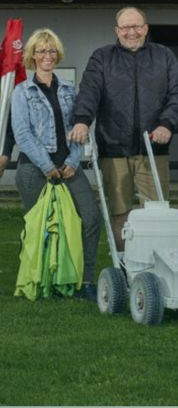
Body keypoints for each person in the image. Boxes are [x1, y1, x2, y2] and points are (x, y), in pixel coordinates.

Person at [69, 7, 178, 252]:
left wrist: (167, 124)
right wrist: (81, 119)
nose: (131, 32)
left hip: (154, 149)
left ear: (145, 28)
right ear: (117, 30)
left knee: (156, 213)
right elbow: (89, 91)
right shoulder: (102, 57)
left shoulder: (164, 56)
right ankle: (123, 265)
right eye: (125, 27)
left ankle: (154, 267)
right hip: (114, 149)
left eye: (136, 27)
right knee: (119, 212)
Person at [11, 28, 100, 301]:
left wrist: (74, 160)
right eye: (41, 51)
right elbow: (22, 134)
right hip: (34, 169)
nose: (47, 56)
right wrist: (47, 165)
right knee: (43, 228)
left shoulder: (70, 90)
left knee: (90, 218)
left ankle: (85, 280)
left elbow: (79, 128)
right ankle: (47, 283)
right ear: (32, 56)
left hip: (69, 167)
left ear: (57, 54)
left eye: (51, 51)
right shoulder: (21, 92)